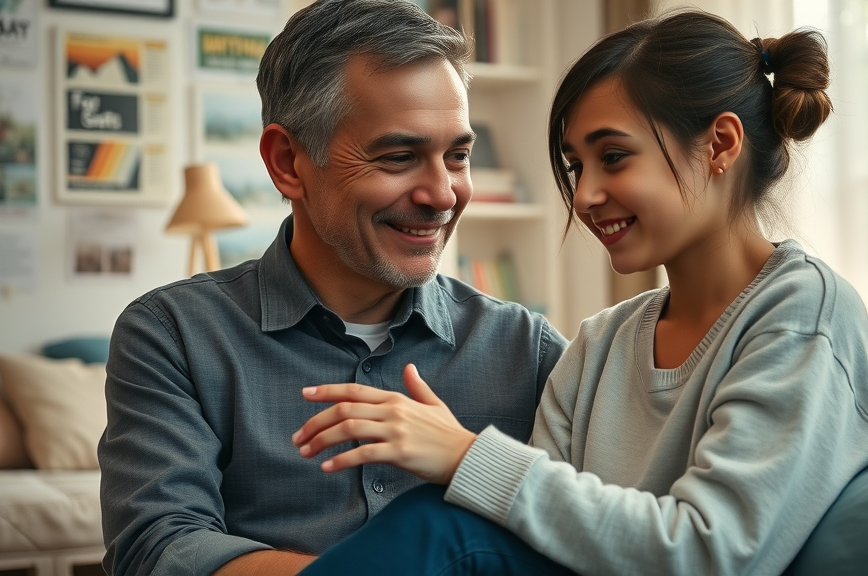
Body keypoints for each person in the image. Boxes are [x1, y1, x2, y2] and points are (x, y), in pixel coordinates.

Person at [290, 8, 868, 576]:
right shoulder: (600, 345)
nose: (583, 197)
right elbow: (534, 539)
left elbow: (712, 553)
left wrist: (466, 456)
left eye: (614, 156)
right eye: (577, 166)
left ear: (721, 145)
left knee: (436, 525)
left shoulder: (803, 313)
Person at [96, 2, 568, 575]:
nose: (444, 194)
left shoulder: (530, 350)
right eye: (399, 157)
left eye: (458, 156)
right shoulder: (173, 335)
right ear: (288, 162)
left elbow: (605, 533)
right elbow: (158, 551)